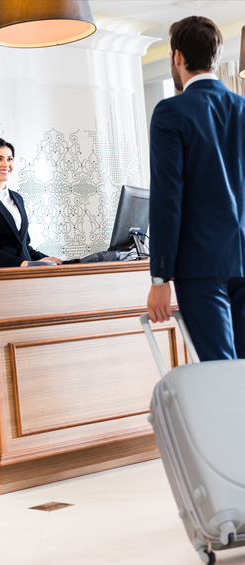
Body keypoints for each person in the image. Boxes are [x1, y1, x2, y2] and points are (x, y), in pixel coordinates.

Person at [147, 16, 245, 361]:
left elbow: (166, 198)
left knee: (221, 371)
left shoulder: (171, 113)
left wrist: (160, 278)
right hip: (243, 257)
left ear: (177, 57)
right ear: (215, 58)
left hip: (201, 267)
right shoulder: (242, 109)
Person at [0, 138, 61, 269]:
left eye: (10, 159)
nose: (6, 164)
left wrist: (50, 260)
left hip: (23, 274)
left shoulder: (17, 198)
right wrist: (22, 264)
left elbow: (23, 247)